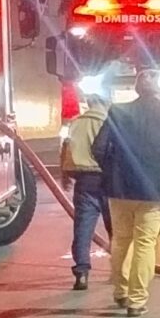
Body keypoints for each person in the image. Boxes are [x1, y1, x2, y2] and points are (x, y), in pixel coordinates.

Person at [91, 73, 160, 315]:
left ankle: (121, 292)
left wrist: (112, 170)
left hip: (119, 187)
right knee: (145, 242)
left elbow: (98, 147)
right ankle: (137, 300)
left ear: (136, 89)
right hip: (153, 188)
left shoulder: (117, 112)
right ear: (158, 91)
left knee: (120, 240)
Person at [59, 91, 111, 292]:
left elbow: (66, 148)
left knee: (83, 228)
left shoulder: (75, 123)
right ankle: (119, 271)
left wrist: (64, 176)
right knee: (116, 229)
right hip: (107, 180)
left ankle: (81, 272)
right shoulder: (108, 122)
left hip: (83, 181)